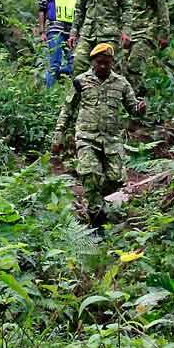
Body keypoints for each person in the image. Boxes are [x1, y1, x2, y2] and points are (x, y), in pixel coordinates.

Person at [52, 43, 146, 227]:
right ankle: (96, 220)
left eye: (107, 62)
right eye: (99, 62)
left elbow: (133, 109)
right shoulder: (81, 81)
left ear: (112, 62)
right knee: (91, 174)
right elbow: (68, 109)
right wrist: (59, 135)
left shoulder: (121, 83)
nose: (103, 66)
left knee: (116, 178)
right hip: (86, 137)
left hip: (111, 139)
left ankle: (97, 200)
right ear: (92, 62)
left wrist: (140, 109)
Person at [68, 0, 130, 77]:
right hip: (88, 34)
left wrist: (126, 31)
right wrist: (73, 33)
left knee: (108, 68)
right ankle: (82, 89)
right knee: (78, 63)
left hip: (109, 34)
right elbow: (79, 11)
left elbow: (127, 9)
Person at [120, 0, 170, 96]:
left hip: (147, 34)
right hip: (131, 34)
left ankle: (138, 98)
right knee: (123, 67)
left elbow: (162, 11)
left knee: (134, 65)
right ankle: (139, 95)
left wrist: (164, 35)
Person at [37, 0, 79, 87]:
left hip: (71, 31)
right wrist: (42, 32)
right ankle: (48, 92)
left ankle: (51, 78)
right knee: (55, 63)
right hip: (55, 29)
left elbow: (79, 10)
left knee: (74, 64)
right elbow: (42, 9)